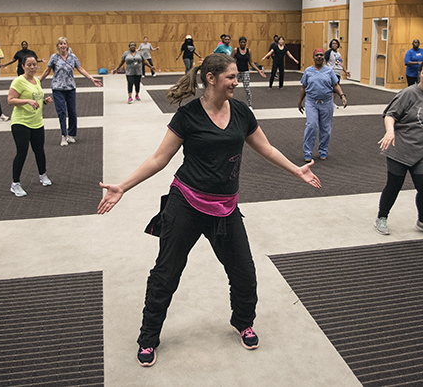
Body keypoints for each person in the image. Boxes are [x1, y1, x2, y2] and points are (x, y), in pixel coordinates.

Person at [97, 54, 321, 367]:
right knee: (165, 275)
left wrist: (296, 170)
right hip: (185, 203)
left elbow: (266, 148)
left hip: (226, 208)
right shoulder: (188, 115)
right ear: (212, 78)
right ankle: (148, 337)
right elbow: (159, 159)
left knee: (244, 272)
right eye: (231, 77)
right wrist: (123, 186)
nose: (236, 82)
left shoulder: (242, 112)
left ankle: (243, 321)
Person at [375, 59, 423, 237]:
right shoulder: (408, 93)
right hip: (400, 149)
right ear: (419, 74)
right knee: (394, 185)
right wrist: (390, 132)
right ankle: (381, 218)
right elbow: (389, 115)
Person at [39, 37, 102, 146]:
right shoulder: (54, 57)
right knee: (62, 112)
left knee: (72, 111)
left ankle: (71, 134)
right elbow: (47, 71)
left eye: (64, 44)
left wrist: (91, 78)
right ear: (58, 46)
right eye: (60, 44)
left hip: (70, 88)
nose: (63, 46)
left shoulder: (73, 57)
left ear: (67, 45)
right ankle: (64, 135)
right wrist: (38, 81)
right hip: (58, 88)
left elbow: (80, 69)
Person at [7, 55, 54, 197]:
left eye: (34, 65)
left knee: (39, 150)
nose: (32, 67)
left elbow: (36, 98)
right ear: (23, 66)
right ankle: (15, 184)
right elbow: (10, 100)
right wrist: (27, 101)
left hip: (37, 122)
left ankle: (42, 175)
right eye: (29, 65)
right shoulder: (18, 81)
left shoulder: (37, 81)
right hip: (21, 122)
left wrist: (44, 101)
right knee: (22, 151)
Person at [297, 48, 347, 162]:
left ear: (324, 57)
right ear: (313, 58)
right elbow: (303, 87)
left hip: (327, 102)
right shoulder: (308, 71)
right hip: (311, 102)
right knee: (312, 125)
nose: (319, 57)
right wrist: (299, 101)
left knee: (326, 128)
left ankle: (323, 150)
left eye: (321, 55)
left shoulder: (329, 71)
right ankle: (307, 152)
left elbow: (335, 85)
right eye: (317, 55)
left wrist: (342, 96)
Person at [231, 36, 265, 109]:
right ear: (239, 43)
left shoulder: (248, 51)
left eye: (244, 42)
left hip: (245, 71)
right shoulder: (236, 50)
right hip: (237, 71)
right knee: (231, 87)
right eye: (241, 42)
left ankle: (249, 104)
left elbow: (251, 62)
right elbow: (231, 60)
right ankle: (229, 102)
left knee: (247, 88)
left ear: (246, 43)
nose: (243, 43)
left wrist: (258, 70)